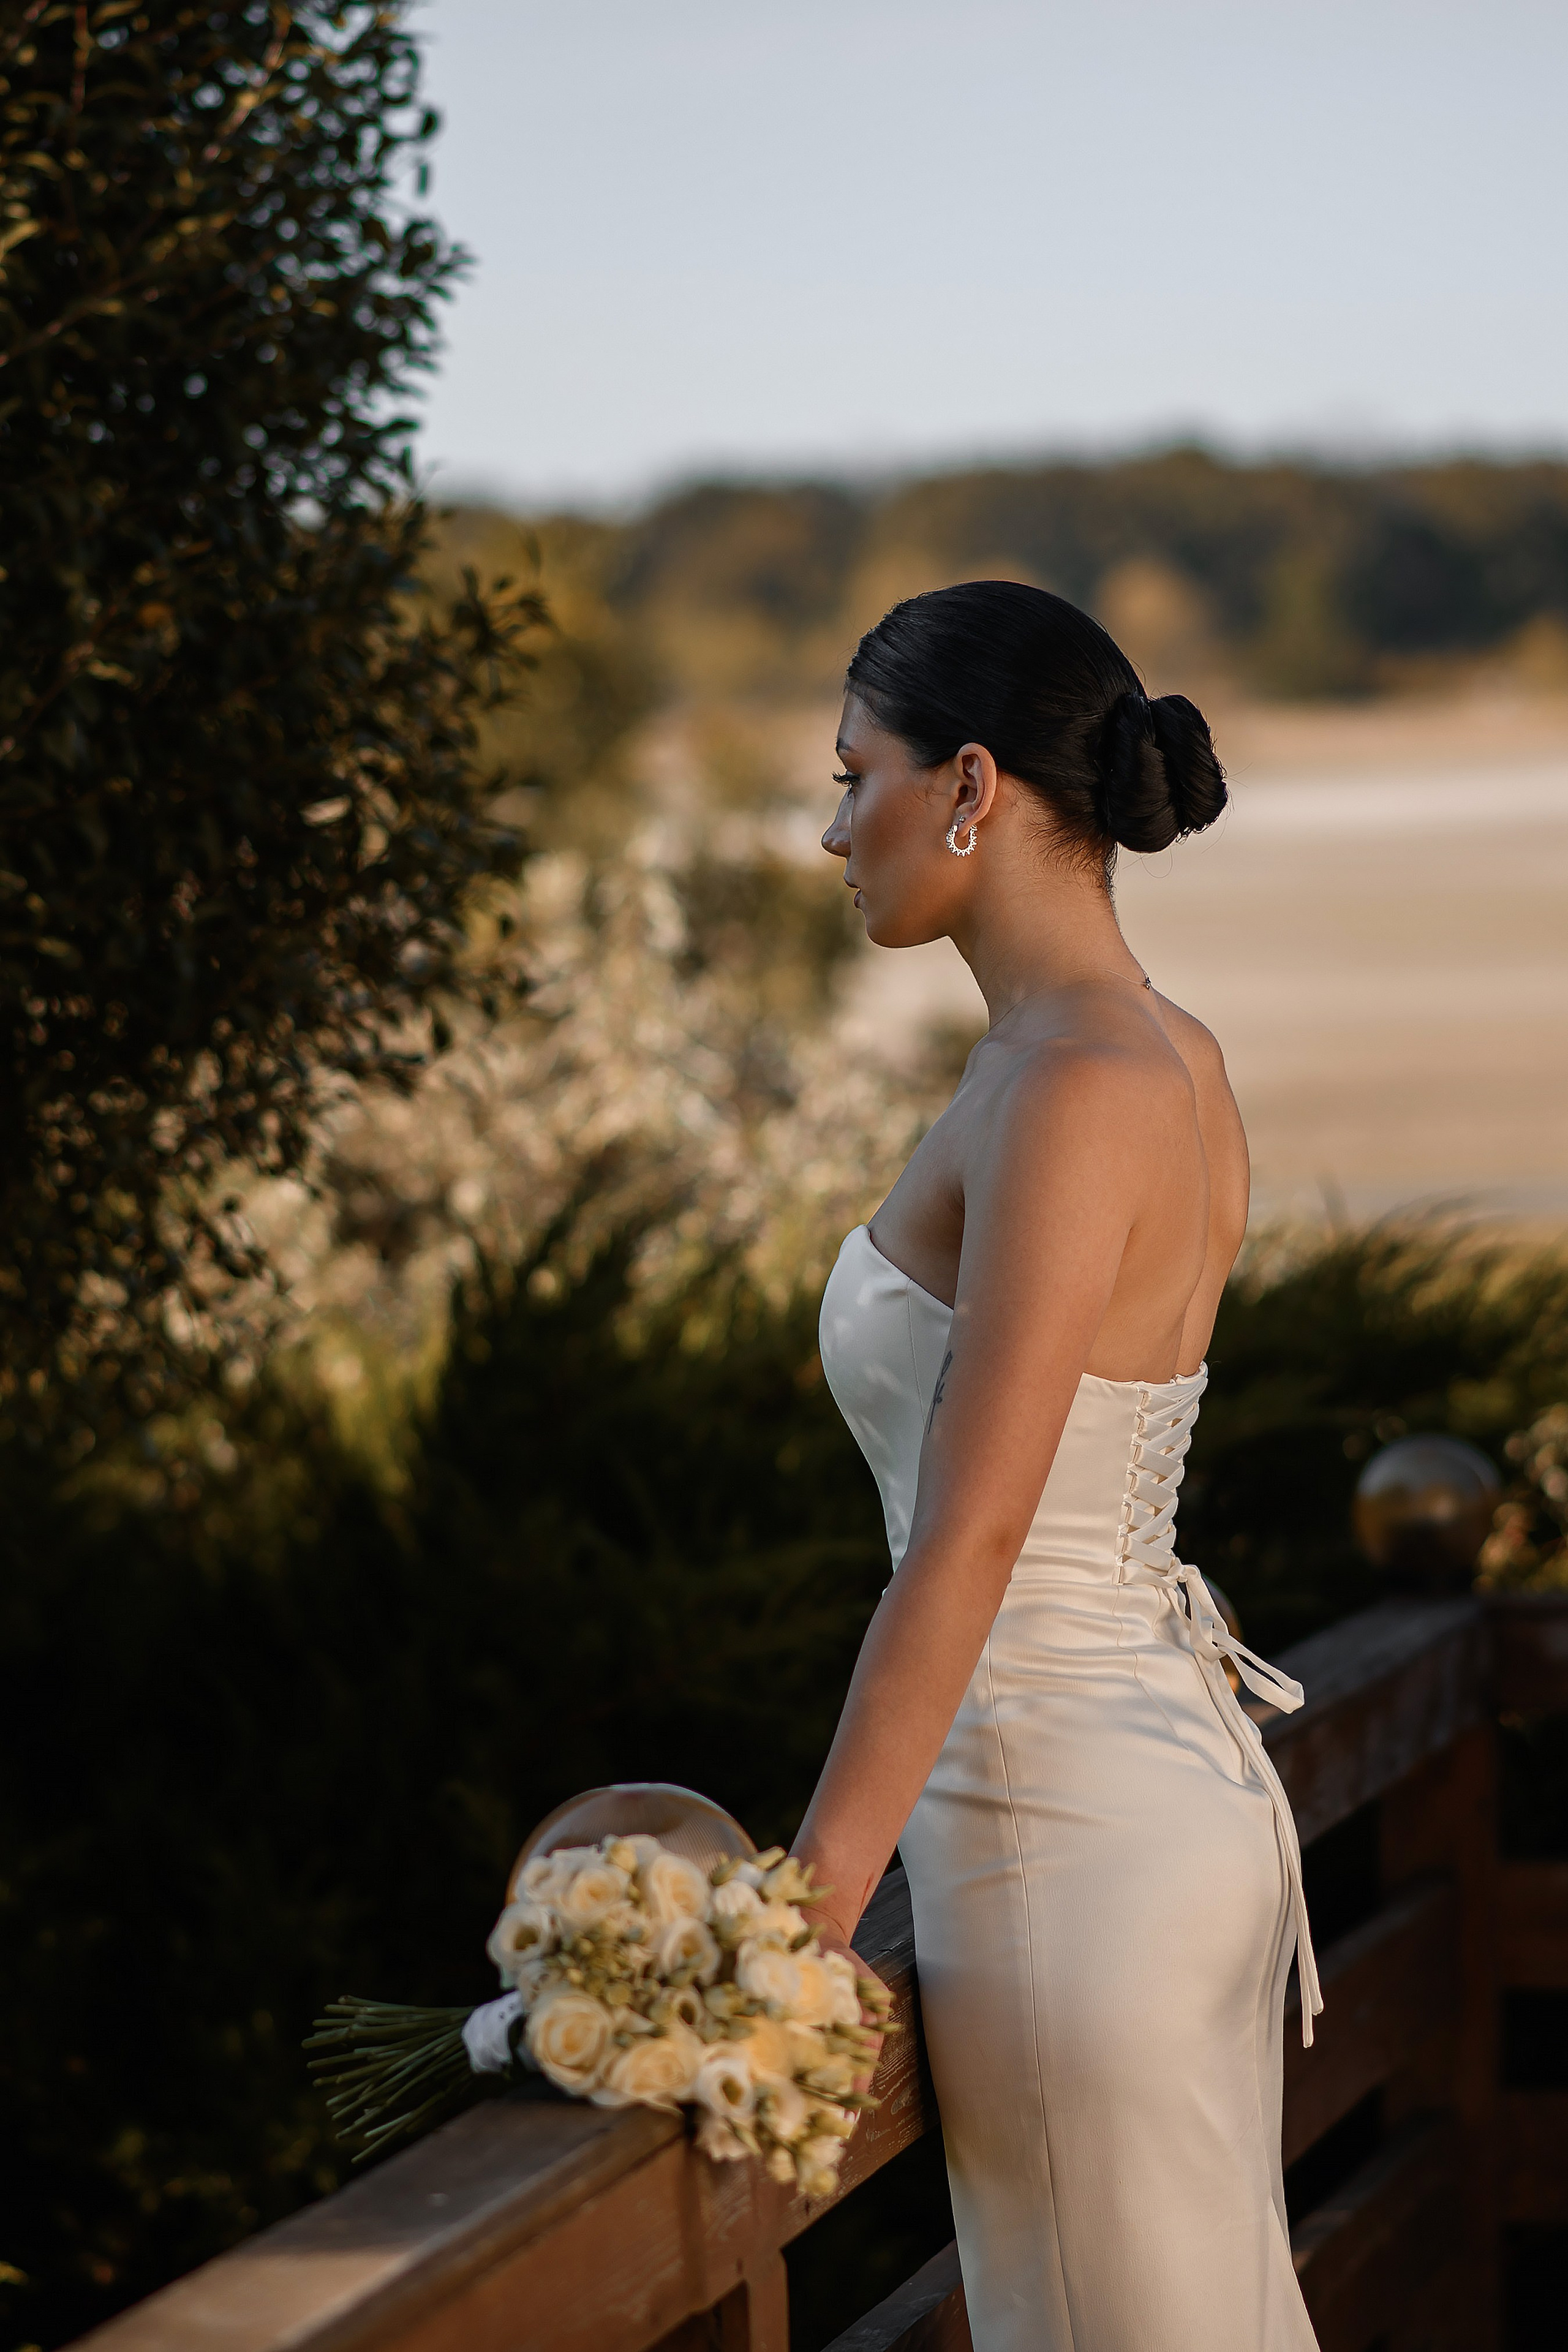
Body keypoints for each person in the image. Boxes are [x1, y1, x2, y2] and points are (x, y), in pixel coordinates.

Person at [791, 582, 1322, 2352]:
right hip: (1149, 1797)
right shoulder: (1165, 1054)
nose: (829, 827)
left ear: (968, 784)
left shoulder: (1074, 1086)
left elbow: (976, 1543)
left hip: (1066, 1838)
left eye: (851, 772)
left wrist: (797, 1923)